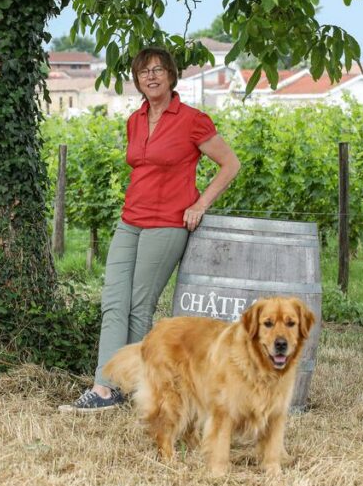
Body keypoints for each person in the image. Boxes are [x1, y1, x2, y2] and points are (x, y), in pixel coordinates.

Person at [59, 47, 241, 412]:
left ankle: (112, 389)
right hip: (131, 220)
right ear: (137, 80)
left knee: (138, 307)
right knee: (114, 302)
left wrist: (199, 205)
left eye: (159, 70)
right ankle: (110, 386)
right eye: (144, 72)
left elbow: (230, 165)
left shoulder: (192, 120)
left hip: (167, 225)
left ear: (172, 76)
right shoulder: (136, 119)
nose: (152, 76)